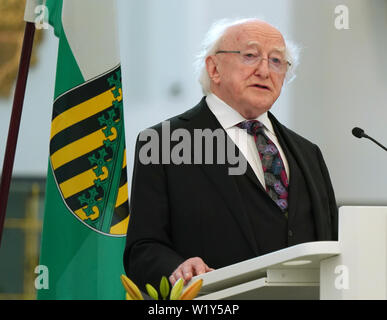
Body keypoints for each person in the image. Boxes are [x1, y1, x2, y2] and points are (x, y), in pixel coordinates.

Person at [123, 18, 338, 291]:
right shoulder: (165, 143)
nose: (264, 70)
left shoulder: (308, 153)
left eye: (276, 61)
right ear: (214, 68)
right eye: (250, 56)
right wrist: (176, 268)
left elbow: (330, 243)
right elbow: (143, 249)